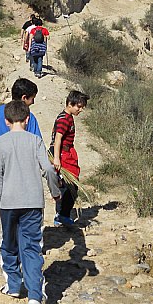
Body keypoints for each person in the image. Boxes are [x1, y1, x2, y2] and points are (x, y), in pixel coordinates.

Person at [0, 100, 60, 304]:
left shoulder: (0, 143)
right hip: (33, 202)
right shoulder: (35, 141)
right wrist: (55, 192)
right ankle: (35, 296)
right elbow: (48, 169)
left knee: (9, 244)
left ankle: (13, 286)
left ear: (6, 121)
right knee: (31, 247)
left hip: (8, 203)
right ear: (27, 119)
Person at [51, 90, 89, 227]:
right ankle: (62, 215)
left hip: (67, 153)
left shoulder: (68, 117)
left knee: (67, 185)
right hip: (63, 155)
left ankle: (61, 215)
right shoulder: (64, 119)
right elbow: (58, 138)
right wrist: (57, 159)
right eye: (78, 106)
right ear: (70, 104)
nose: (80, 109)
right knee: (71, 186)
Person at [0, 78, 42, 143]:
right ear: (24, 98)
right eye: (32, 98)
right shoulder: (29, 117)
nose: (33, 102)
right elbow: (37, 143)